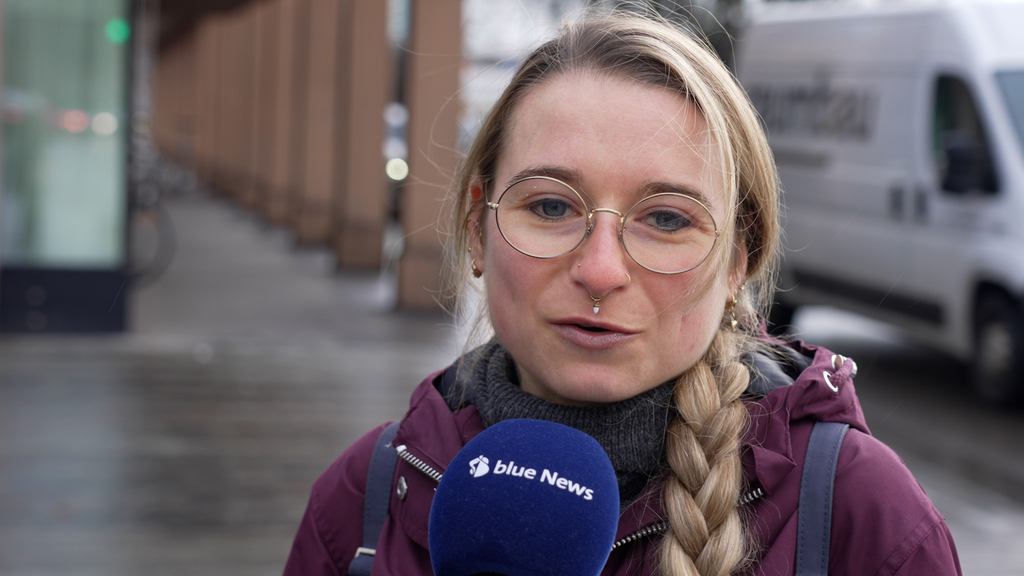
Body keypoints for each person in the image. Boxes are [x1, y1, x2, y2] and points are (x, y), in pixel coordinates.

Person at [283, 12, 962, 576]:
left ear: (736, 263)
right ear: (475, 230)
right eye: (551, 207)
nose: (601, 270)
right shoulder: (367, 495)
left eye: (665, 219)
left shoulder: (858, 513)